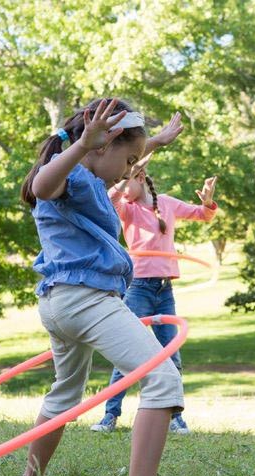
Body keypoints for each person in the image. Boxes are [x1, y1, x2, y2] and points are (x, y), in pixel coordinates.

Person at [17, 97, 193, 476]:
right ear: (98, 145)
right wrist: (79, 148)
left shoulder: (91, 182)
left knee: (64, 393)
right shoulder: (69, 172)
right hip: (87, 301)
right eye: (128, 157)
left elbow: (113, 167)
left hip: (61, 304)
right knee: (163, 379)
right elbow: (42, 186)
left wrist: (153, 144)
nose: (132, 168)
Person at [91, 115, 218, 434]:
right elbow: (111, 195)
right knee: (126, 354)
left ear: (141, 177)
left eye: (129, 177)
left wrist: (208, 201)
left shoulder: (168, 205)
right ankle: (110, 415)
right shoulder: (126, 208)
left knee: (171, 353)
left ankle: (176, 417)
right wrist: (154, 145)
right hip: (139, 289)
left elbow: (203, 215)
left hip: (165, 289)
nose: (122, 183)